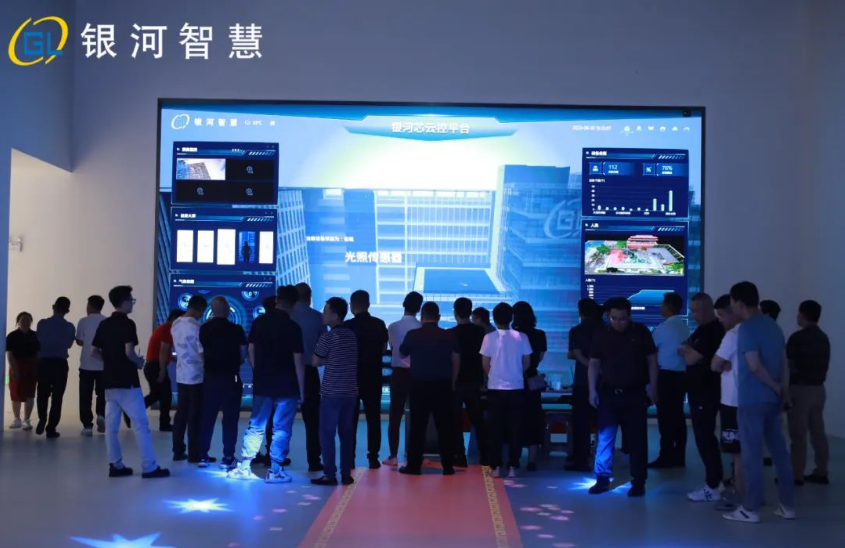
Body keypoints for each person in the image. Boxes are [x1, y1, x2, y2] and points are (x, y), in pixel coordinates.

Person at [722, 281, 795, 523]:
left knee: (751, 455)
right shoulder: (773, 326)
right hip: (773, 401)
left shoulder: (746, 328)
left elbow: (753, 365)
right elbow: (784, 364)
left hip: (752, 400)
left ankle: (750, 509)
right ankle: (787, 506)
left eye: (732, 302)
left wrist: (773, 386)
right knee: (780, 453)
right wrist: (782, 390)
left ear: (739, 303)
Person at [229, 285, 305, 483]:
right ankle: (275, 470)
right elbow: (298, 362)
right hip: (287, 385)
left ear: (277, 300)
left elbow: (251, 351)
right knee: (281, 428)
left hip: (263, 383)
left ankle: (245, 466)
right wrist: (302, 390)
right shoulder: (294, 327)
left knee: (256, 425)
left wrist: (259, 371)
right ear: (294, 304)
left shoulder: (260, 322)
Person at [91, 285, 169, 478]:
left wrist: (109, 362)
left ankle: (115, 465)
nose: (132, 304)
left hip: (109, 382)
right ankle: (149, 466)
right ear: (124, 302)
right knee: (140, 425)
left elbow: (93, 352)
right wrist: (138, 362)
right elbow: (129, 352)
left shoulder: (104, 324)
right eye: (131, 300)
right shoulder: (127, 324)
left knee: (111, 427)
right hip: (128, 382)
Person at [588, 297, 658, 497]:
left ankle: (639, 481)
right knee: (604, 439)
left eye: (622, 319)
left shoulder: (641, 332)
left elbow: (652, 361)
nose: (618, 322)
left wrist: (654, 387)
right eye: (614, 318)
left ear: (630, 316)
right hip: (608, 394)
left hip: (634, 394)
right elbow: (593, 364)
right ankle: (602, 479)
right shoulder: (601, 334)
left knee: (637, 440)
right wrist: (592, 390)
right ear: (608, 316)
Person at [398, 302, 460, 476]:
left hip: (419, 386)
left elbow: (402, 352)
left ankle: (414, 466)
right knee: (445, 427)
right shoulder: (449, 335)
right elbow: (456, 360)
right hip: (443, 385)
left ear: (422, 317)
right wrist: (453, 383)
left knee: (418, 427)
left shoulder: (413, 334)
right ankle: (448, 466)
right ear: (438, 317)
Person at [680, 292, 726, 502]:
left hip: (707, 392)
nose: (693, 314)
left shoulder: (713, 332)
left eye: (697, 310)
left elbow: (690, 358)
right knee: (704, 437)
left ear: (709, 309)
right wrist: (688, 350)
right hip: (699, 391)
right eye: (692, 310)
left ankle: (713, 484)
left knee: (705, 438)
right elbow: (688, 348)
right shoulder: (701, 330)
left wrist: (687, 350)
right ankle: (716, 480)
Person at [311, 297, 359, 486]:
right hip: (350, 391)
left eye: (326, 311)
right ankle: (346, 474)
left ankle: (330, 474)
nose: (322, 314)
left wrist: (326, 359)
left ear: (335, 315)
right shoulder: (351, 335)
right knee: (346, 434)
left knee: (327, 434)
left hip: (331, 392)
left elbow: (315, 361)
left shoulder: (328, 337)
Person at [482, 303, 532, 479]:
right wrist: (516, 374)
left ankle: (495, 467)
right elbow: (527, 363)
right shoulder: (522, 337)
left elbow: (485, 364)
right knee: (515, 429)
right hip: (516, 388)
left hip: (495, 389)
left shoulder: (489, 337)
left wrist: (494, 376)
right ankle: (513, 466)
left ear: (494, 319)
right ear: (511, 318)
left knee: (495, 429)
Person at [198, 297, 247, 469]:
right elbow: (243, 354)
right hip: (232, 376)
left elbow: (200, 352)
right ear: (227, 310)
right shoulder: (236, 329)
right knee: (230, 418)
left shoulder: (204, 329)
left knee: (207, 417)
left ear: (212, 310)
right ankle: (228, 457)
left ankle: (202, 456)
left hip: (210, 377)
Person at [786, 300, 830, 485]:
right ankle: (822, 472)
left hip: (800, 390)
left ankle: (796, 475)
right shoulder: (823, 337)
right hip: (819, 390)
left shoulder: (797, 338)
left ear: (802, 314)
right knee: (818, 433)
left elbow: (788, 365)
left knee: (798, 434)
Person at [345, 290, 389, 469]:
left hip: (351, 378)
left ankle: (350, 458)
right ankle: (373, 458)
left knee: (350, 420)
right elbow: (383, 349)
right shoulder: (379, 324)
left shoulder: (347, 326)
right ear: (368, 305)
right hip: (373, 377)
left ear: (351, 305)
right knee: (373, 418)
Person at [649, 292, 690, 469]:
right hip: (681, 376)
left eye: (662, 304)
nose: (660, 307)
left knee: (665, 419)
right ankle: (679, 456)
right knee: (678, 418)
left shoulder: (663, 328)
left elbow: (650, 348)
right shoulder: (683, 326)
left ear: (668, 306)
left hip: (666, 377)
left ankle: (665, 456)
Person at [711, 294, 744, 511]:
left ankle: (741, 496)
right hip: (751, 399)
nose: (720, 320)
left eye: (722, 315)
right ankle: (751, 493)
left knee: (737, 452)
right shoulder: (759, 331)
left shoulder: (733, 335)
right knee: (748, 449)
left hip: (732, 401)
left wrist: (723, 364)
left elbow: (715, 365)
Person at [384, 291, 423, 467]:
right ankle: (416, 455)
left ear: (403, 305)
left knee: (395, 415)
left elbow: (393, 348)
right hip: (417, 374)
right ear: (419, 308)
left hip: (398, 374)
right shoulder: (421, 327)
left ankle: (393, 456)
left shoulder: (393, 327)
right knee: (417, 416)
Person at [291, 283, 328, 472]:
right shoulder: (318, 318)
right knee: (312, 419)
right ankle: (314, 460)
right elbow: (325, 347)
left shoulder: (287, 316)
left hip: (285, 371)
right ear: (310, 296)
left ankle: (274, 458)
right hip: (309, 372)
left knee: (278, 416)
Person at [449, 297, 488, 467]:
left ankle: (460, 456)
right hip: (474, 381)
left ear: (455, 313)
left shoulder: (451, 333)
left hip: (456, 382)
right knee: (478, 420)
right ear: (470, 311)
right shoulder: (480, 332)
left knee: (455, 421)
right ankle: (485, 455)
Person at [566, 298, 604, 472]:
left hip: (582, 382)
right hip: (605, 382)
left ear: (580, 312)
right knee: (604, 424)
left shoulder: (576, 331)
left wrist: (590, 366)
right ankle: (603, 460)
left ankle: (581, 460)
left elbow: (575, 354)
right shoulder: (605, 329)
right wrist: (599, 369)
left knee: (581, 424)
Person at [171, 295, 208, 462]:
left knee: (181, 414)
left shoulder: (175, 323)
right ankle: (195, 453)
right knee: (195, 416)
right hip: (197, 376)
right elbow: (201, 354)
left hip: (181, 375)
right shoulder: (197, 327)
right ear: (199, 309)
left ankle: (177, 450)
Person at [513, 301, 547, 472]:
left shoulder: (512, 335)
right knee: (533, 420)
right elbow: (539, 358)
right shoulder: (539, 334)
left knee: (515, 420)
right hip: (532, 381)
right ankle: (532, 460)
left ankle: (514, 458)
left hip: (514, 381)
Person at [35, 297, 76, 438]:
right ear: (67, 311)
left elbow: (38, 340)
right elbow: (69, 344)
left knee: (42, 393)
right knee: (57, 397)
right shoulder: (70, 327)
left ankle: (42, 417)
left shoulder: (42, 323)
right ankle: (51, 428)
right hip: (60, 363)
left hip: (44, 362)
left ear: (53, 307)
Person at [144, 310, 181, 432]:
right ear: (174, 318)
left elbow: (165, 352)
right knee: (164, 395)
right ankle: (164, 424)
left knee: (158, 394)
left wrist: (177, 360)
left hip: (153, 366)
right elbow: (163, 351)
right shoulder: (167, 329)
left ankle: (131, 411)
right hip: (155, 367)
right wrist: (162, 371)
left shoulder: (165, 329)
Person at [76, 295, 107, 436]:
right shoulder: (106, 321)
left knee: (85, 395)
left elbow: (79, 341)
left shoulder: (83, 321)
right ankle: (101, 415)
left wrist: (88, 342)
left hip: (86, 364)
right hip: (103, 364)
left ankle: (87, 425)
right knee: (102, 393)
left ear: (90, 306)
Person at [6, 312, 39, 430]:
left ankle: (27, 420)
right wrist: (14, 369)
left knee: (30, 394)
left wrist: (37, 369)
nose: (26, 322)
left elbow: (38, 354)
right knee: (15, 393)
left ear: (31, 322)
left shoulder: (35, 335)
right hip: (16, 366)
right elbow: (10, 354)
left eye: (28, 320)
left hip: (31, 367)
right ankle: (16, 419)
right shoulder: (12, 336)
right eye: (23, 320)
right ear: (18, 321)